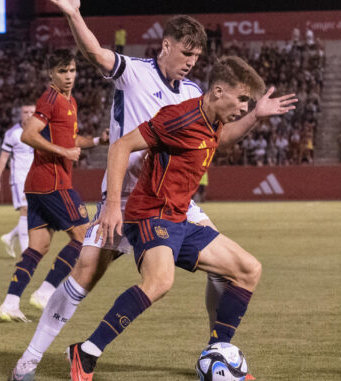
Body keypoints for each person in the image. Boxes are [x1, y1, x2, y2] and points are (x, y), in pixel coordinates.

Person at [9, 2, 293, 379]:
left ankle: (217, 352)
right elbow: (94, 52)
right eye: (186, 52)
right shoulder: (135, 73)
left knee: (232, 269)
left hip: (175, 198)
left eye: (197, 55)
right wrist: (73, 15)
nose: (191, 62)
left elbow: (217, 139)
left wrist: (255, 114)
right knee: (85, 273)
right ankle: (30, 358)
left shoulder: (193, 92)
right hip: (126, 197)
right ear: (165, 46)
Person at [67, 55, 297, 380]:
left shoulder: (214, 120)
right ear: (218, 91)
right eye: (242, 99)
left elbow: (224, 140)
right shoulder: (178, 118)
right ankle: (86, 353)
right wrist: (112, 206)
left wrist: (257, 116)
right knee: (160, 282)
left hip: (178, 218)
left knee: (248, 270)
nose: (245, 106)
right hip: (149, 214)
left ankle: (216, 354)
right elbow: (120, 146)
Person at [0, 49, 108, 323]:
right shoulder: (49, 98)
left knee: (38, 247)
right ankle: (46, 292)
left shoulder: (70, 101)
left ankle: (10, 303)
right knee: (84, 237)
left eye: (71, 70)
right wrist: (62, 151)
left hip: (37, 185)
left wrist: (96, 141)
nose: (69, 76)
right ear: (51, 74)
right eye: (62, 71)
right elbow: (27, 134)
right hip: (53, 183)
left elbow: (71, 140)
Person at [0, 103, 36, 258]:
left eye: (31, 112)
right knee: (25, 209)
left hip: (36, 178)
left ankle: (10, 237)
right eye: (25, 112)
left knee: (38, 215)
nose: (28, 115)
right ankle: (26, 253)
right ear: (20, 114)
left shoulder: (40, 131)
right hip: (19, 179)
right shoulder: (12, 133)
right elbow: (3, 158)